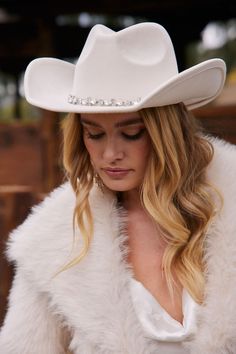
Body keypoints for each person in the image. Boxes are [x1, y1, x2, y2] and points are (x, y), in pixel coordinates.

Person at [0, 22, 235, 354]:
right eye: (94, 133)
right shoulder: (53, 242)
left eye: (132, 132)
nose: (110, 154)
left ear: (166, 132)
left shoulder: (229, 210)